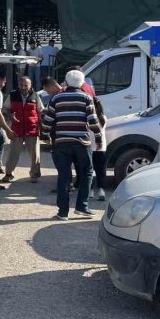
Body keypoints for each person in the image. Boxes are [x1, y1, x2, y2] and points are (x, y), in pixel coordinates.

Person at [42, 69, 102, 220]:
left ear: (66, 82)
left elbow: (47, 122)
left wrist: (46, 134)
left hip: (61, 142)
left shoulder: (56, 98)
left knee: (64, 176)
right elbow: (93, 120)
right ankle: (82, 207)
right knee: (87, 172)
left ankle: (62, 212)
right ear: (82, 83)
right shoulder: (86, 97)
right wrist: (99, 137)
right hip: (81, 142)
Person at [2, 75, 44, 183]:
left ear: (30, 86)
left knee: (35, 154)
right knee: (13, 153)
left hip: (32, 129)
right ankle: (9, 173)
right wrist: (10, 115)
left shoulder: (35, 96)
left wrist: (42, 127)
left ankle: (34, 175)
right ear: (18, 85)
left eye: (26, 85)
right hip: (17, 129)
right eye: (21, 85)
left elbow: (40, 111)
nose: (23, 87)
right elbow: (4, 109)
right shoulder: (12, 95)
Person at [92, 97, 108, 201]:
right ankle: (101, 190)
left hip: (90, 146)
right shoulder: (103, 118)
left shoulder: (89, 118)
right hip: (102, 147)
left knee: (88, 170)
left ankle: (90, 191)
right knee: (101, 170)